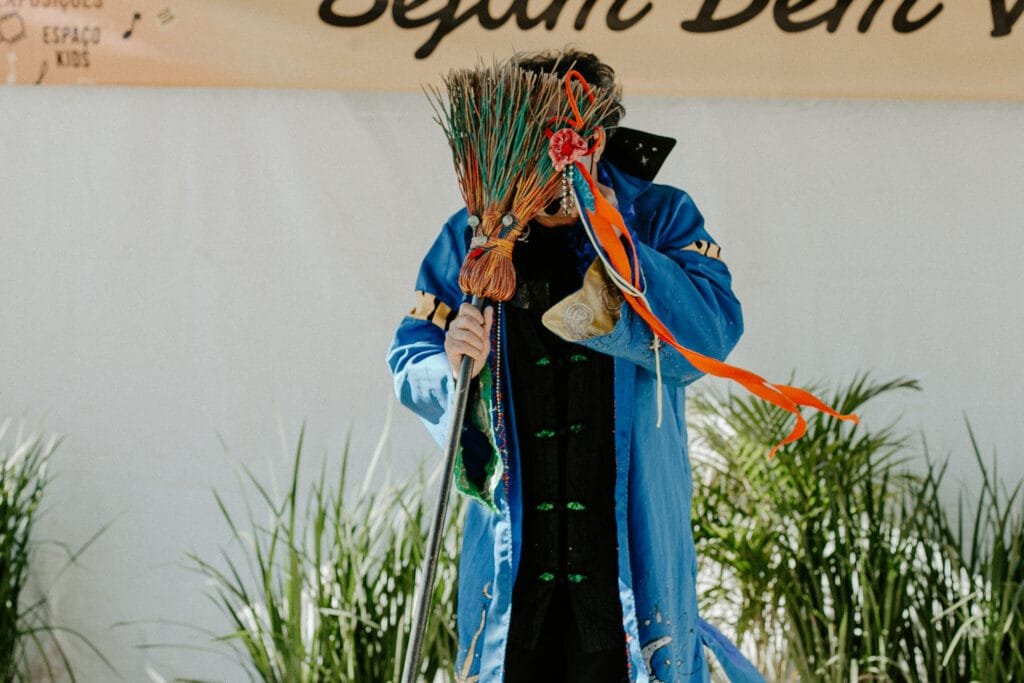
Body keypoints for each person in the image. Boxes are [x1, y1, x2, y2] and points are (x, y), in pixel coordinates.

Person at [387, 49, 764, 683]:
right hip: (514, 578)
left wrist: (612, 234)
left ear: (596, 136)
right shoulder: (473, 237)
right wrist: (452, 366)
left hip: (627, 567)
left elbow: (711, 334)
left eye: (566, 136)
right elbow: (410, 356)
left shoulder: (660, 216)